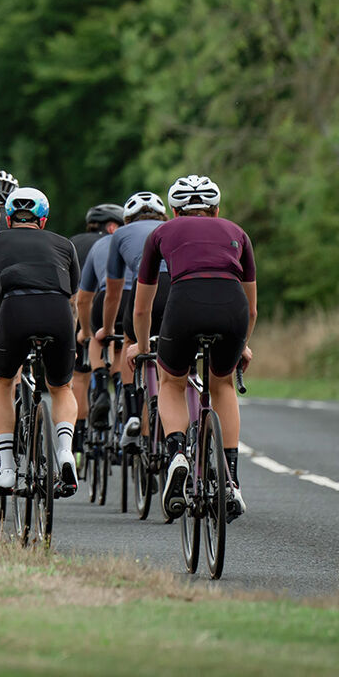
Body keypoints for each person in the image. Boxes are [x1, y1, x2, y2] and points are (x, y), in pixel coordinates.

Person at [131, 174, 257, 521]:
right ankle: (231, 480)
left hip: (184, 306)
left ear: (174, 210)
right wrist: (242, 345)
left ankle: (177, 454)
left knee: (171, 381)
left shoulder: (161, 233)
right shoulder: (237, 233)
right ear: (216, 209)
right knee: (223, 383)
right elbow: (254, 307)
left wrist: (143, 349)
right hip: (233, 310)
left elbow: (142, 308)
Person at [0, 187, 82, 498]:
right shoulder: (65, 244)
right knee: (61, 387)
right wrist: (67, 340)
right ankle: (65, 451)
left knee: (3, 381)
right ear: (42, 221)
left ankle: (6, 467)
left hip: (14, 314)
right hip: (58, 315)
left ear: (6, 219)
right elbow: (73, 303)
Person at [98, 190, 170, 448]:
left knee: (132, 339)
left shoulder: (120, 235)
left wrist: (106, 329)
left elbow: (113, 292)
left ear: (127, 219)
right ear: (163, 215)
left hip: (144, 290)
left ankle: (131, 413)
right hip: (178, 290)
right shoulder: (170, 228)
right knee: (174, 351)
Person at [69, 203, 123, 435]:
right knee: (121, 349)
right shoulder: (115, 241)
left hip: (78, 309)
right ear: (112, 227)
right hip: (117, 303)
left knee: (80, 375)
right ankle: (123, 400)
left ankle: (78, 442)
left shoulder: (72, 242)